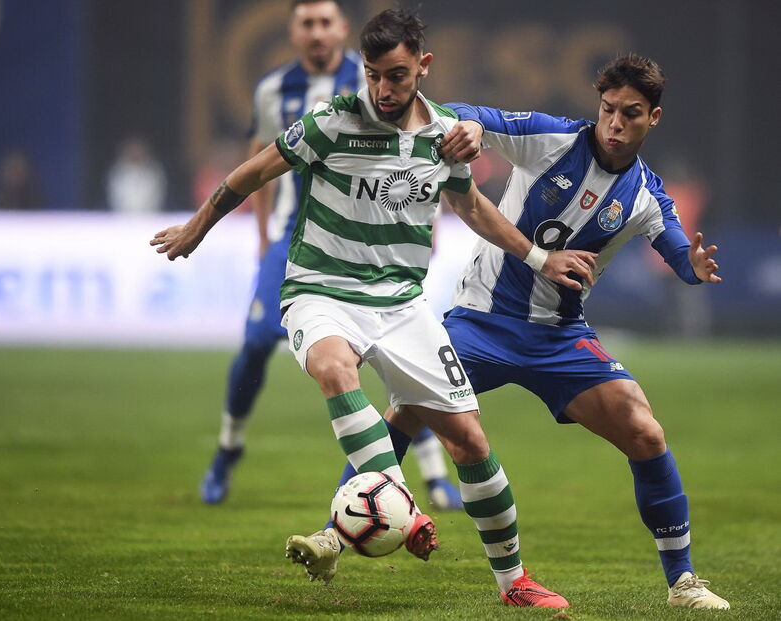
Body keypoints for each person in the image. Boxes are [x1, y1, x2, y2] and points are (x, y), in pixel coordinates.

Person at [152, 6, 594, 598]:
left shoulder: (442, 136)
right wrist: (196, 228)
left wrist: (540, 259)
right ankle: (399, 506)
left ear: (423, 66)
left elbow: (473, 209)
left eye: (397, 75)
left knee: (471, 442)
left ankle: (514, 581)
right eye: (374, 74)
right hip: (320, 289)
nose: (384, 89)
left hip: (401, 305)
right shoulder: (332, 121)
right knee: (335, 369)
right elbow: (253, 171)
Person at [308, 53, 729, 610]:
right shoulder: (553, 139)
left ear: (653, 118)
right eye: (608, 109)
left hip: (558, 336)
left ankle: (683, 583)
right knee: (407, 409)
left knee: (645, 431)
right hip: (481, 320)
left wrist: (692, 269)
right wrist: (473, 129)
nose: (615, 123)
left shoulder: (648, 195)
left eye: (631, 113)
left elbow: (677, 250)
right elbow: (468, 113)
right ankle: (334, 534)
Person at [199, 0, 465, 512]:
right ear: (294, 32)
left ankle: (432, 476)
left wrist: (419, 223)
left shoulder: (375, 79)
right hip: (290, 238)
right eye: (307, 24)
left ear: (343, 30)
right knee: (255, 344)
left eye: (326, 23)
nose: (317, 33)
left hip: (371, 238)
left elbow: (414, 153)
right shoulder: (273, 90)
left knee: (396, 355)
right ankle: (228, 449)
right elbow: (259, 164)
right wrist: (261, 240)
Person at [107, 136, 168, 213]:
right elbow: (115, 195)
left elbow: (157, 194)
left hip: (150, 215)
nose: (135, 154)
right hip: (121, 216)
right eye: (132, 151)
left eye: (138, 150)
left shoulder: (154, 171)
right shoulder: (117, 172)